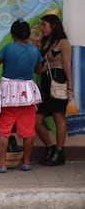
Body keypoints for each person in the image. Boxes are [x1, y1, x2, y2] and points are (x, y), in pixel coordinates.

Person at [0, 19, 43, 173]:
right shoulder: (34, 50)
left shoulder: (8, 48)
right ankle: (26, 162)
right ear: (27, 35)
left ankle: (2, 164)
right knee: (28, 131)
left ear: (12, 34)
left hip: (8, 95)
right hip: (27, 94)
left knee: (4, 131)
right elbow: (39, 71)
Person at [35, 14, 73, 166]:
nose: (42, 28)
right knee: (36, 121)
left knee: (59, 117)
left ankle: (59, 151)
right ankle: (50, 148)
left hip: (58, 81)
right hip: (45, 81)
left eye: (44, 25)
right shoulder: (45, 43)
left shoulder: (63, 42)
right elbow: (38, 70)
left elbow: (67, 65)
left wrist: (70, 87)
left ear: (54, 26)